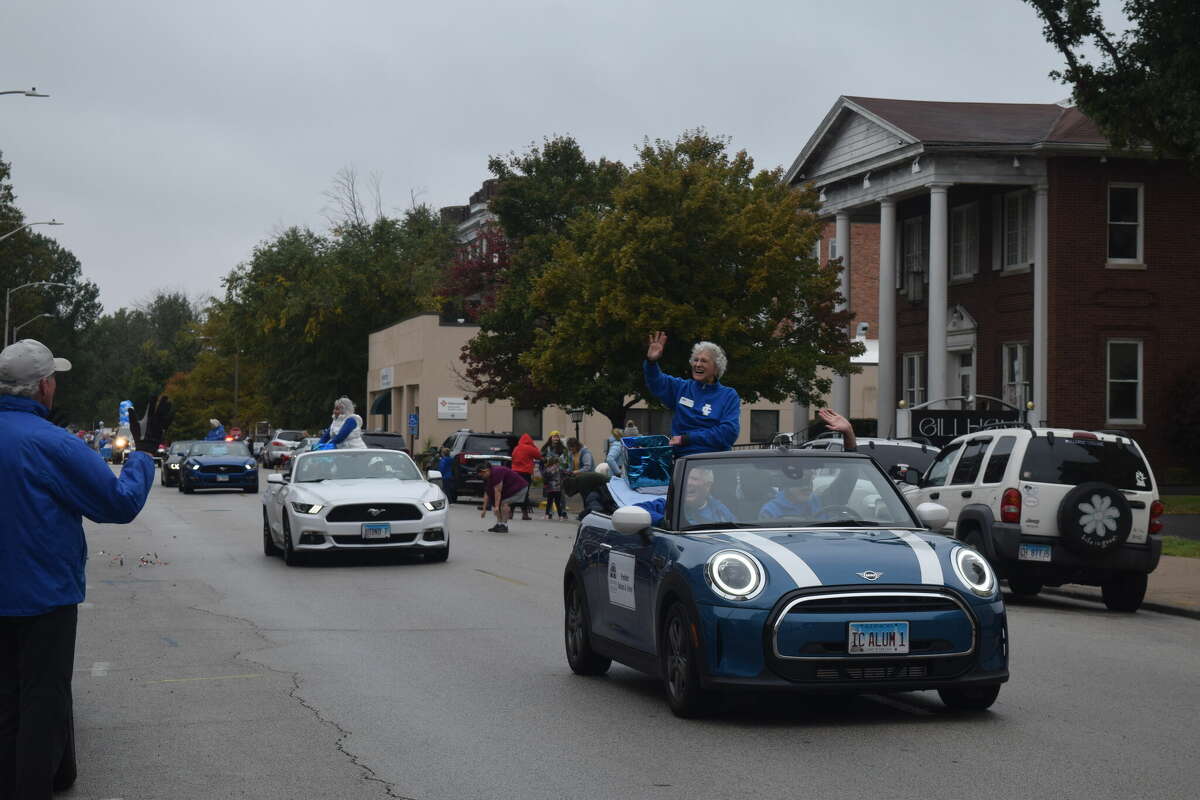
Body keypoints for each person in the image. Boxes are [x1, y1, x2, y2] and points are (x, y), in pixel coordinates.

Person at [0, 340, 159, 799]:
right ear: (45, 386)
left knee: (6, 702)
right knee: (41, 701)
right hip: (42, 597)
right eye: (55, 380)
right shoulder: (52, 444)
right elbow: (118, 503)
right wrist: (142, 455)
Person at [643, 331, 740, 456]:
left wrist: (687, 439)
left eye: (704, 361)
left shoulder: (728, 395)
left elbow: (729, 433)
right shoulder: (681, 388)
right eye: (695, 360)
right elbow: (656, 383)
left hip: (715, 461)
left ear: (716, 368)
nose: (698, 364)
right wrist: (651, 362)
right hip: (683, 461)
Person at [759, 409, 858, 520]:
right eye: (800, 481)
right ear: (786, 483)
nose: (807, 487)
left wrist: (849, 433)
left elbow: (850, 475)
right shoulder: (771, 511)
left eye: (809, 481)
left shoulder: (821, 502)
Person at [635, 466, 734, 528]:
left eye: (694, 479)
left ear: (708, 486)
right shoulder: (668, 506)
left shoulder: (721, 511)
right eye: (686, 478)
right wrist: (664, 522)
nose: (688, 483)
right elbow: (636, 510)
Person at [478, 462, 529, 533]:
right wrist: (484, 509)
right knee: (498, 504)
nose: (482, 477)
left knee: (504, 503)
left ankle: (504, 525)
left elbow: (498, 491)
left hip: (520, 488)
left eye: (482, 474)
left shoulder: (496, 473)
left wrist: (496, 506)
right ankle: (499, 524)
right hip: (510, 489)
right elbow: (487, 493)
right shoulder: (488, 477)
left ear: (486, 470)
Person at [509, 433, 541, 521]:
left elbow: (513, 457)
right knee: (524, 493)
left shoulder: (516, 448)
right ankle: (524, 514)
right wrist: (533, 445)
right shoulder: (530, 448)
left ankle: (510, 513)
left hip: (515, 472)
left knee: (514, 492)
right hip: (525, 473)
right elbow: (539, 455)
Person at [541, 432, 570, 520]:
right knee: (549, 493)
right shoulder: (546, 448)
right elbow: (541, 458)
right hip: (549, 473)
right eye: (554, 437)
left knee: (560, 494)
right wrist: (546, 461)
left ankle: (563, 512)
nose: (556, 439)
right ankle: (549, 512)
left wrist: (562, 464)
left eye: (557, 437)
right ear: (550, 438)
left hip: (560, 473)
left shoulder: (564, 449)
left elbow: (566, 461)